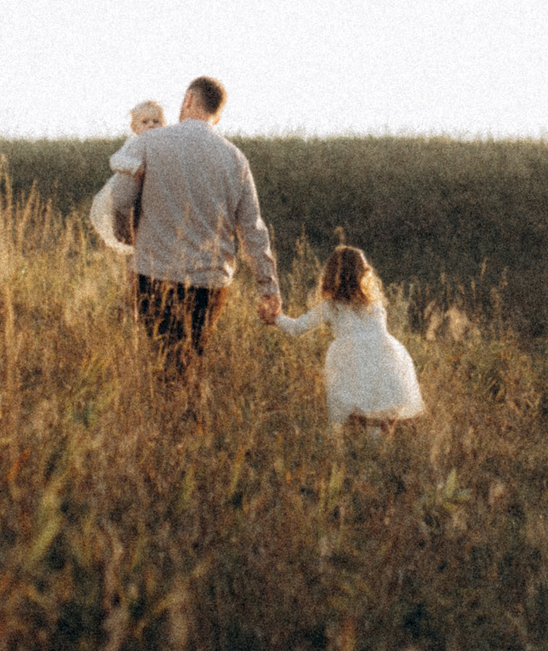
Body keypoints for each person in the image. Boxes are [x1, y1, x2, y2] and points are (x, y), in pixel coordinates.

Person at [106, 76, 280, 373]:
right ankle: (187, 412)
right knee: (189, 359)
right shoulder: (235, 159)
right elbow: (252, 229)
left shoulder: (146, 143)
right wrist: (268, 286)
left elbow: (120, 201)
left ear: (188, 99)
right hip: (210, 283)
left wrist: (127, 238)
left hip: (153, 274)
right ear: (218, 116)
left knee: (160, 361)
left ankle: (168, 414)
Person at [274, 246, 426, 431]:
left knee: (360, 413)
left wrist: (276, 317)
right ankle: (376, 447)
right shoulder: (374, 305)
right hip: (383, 359)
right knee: (378, 412)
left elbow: (297, 328)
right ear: (362, 274)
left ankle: (368, 447)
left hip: (353, 361)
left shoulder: (331, 306)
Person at [89, 100, 163, 257]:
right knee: (128, 228)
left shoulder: (163, 145)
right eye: (145, 122)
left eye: (156, 121)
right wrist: (134, 166)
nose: (151, 125)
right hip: (126, 196)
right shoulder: (133, 143)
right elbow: (115, 160)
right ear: (134, 128)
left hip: (149, 197)